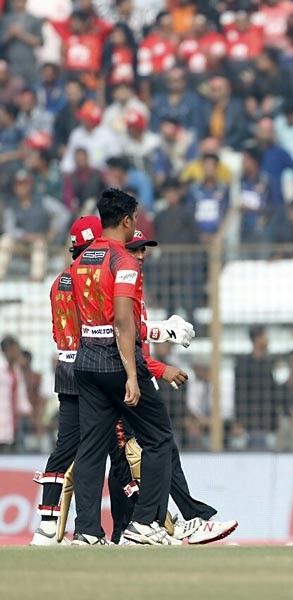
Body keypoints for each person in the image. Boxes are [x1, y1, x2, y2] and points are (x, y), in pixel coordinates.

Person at [114, 229, 238, 545]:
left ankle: (164, 522)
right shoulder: (123, 285)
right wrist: (162, 361)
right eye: (135, 249)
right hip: (125, 382)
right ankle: (144, 525)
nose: (142, 255)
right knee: (142, 452)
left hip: (130, 379)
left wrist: (159, 335)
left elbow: (134, 338)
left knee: (145, 452)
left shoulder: (133, 288)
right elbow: (123, 341)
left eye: (144, 250)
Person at [69, 188, 175, 546]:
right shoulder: (124, 261)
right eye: (136, 220)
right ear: (128, 220)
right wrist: (132, 373)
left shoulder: (81, 260)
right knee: (159, 438)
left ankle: (86, 530)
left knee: (91, 446)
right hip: (114, 360)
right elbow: (124, 321)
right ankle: (144, 524)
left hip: (85, 359)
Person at [29, 216, 103, 546]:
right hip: (94, 367)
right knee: (106, 445)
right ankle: (114, 524)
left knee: (65, 446)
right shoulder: (92, 279)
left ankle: (46, 522)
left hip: (66, 366)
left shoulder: (58, 281)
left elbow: (58, 332)